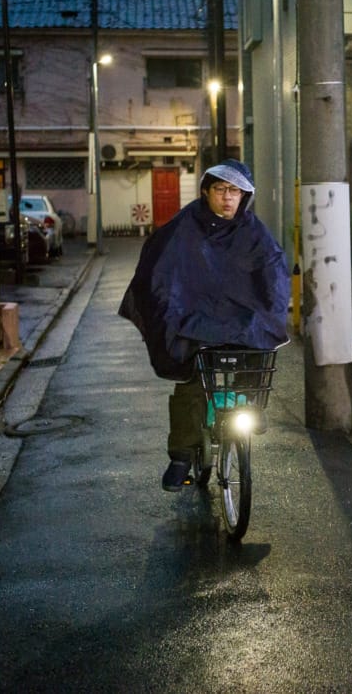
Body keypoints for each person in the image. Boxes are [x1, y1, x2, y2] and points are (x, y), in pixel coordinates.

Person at [119, 159, 290, 491]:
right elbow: (160, 272)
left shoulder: (254, 232)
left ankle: (250, 404)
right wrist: (171, 311)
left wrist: (272, 306)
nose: (228, 197)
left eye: (236, 191)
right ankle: (181, 456)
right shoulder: (185, 227)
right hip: (194, 321)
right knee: (192, 383)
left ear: (244, 196)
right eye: (221, 189)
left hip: (239, 321)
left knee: (255, 355)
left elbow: (273, 270)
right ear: (206, 192)